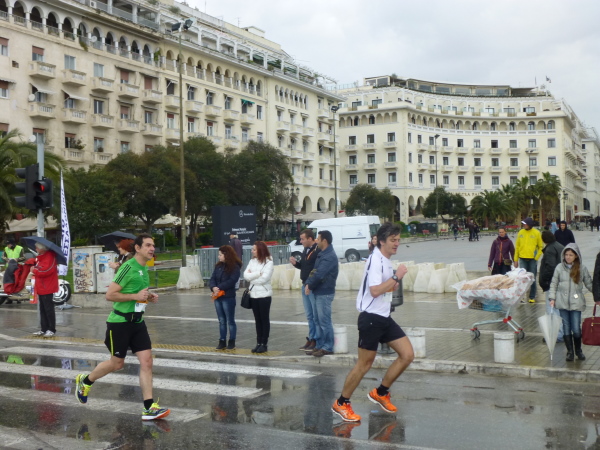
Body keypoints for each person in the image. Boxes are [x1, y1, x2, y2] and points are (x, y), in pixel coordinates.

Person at [75, 233, 170, 421]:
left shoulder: (144, 268)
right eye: (148, 245)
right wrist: (136, 296)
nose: (152, 248)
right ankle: (86, 381)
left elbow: (137, 293)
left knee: (147, 362)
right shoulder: (127, 267)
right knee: (117, 364)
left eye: (153, 245)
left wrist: (148, 296)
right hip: (120, 323)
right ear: (138, 248)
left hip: (137, 322)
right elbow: (110, 295)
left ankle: (149, 407)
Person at [332, 222, 411, 423]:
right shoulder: (376, 260)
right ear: (382, 241)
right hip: (371, 318)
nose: (397, 243)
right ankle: (341, 403)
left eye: (398, 240)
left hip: (383, 317)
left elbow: (382, 288)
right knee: (364, 364)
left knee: (407, 354)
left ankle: (381, 392)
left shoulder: (385, 259)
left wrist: (392, 284)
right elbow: (374, 290)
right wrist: (397, 276)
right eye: (393, 240)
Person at [549, 244, 593, 362]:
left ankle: (578, 350)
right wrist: (552, 298)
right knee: (566, 327)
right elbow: (554, 283)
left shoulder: (581, 268)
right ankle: (570, 352)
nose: (568, 257)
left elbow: (589, 283)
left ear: (576, 256)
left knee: (576, 328)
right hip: (562, 302)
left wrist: (597, 294)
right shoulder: (559, 267)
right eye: (566, 255)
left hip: (576, 303)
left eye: (571, 255)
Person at [305, 230, 339, 357]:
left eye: (318, 239)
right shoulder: (322, 253)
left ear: (324, 241)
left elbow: (320, 274)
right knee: (318, 320)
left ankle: (328, 347)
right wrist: (308, 283)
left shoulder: (329, 256)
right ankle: (319, 345)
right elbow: (314, 271)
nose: (316, 241)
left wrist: (309, 285)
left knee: (324, 320)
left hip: (325, 292)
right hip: (318, 291)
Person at [289, 229, 320, 351]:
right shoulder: (305, 250)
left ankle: (316, 339)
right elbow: (304, 266)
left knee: (315, 315)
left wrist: (310, 284)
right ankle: (311, 337)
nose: (300, 241)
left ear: (310, 239)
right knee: (309, 315)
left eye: (302, 239)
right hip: (304, 284)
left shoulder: (316, 250)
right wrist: (295, 263)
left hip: (311, 286)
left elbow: (316, 270)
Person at [243, 241, 274, 354]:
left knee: (264, 319)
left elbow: (264, 279)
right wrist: (257, 274)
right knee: (257, 320)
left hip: (264, 294)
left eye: (254, 249)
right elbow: (246, 276)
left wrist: (253, 277)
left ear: (260, 250)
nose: (252, 251)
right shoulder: (252, 261)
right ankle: (258, 343)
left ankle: (264, 344)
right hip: (253, 294)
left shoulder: (269, 262)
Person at [209, 245, 242, 350]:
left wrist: (219, 287)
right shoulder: (218, 266)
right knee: (221, 320)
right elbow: (212, 278)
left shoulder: (234, 267)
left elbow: (232, 281)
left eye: (220, 255)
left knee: (230, 320)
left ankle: (232, 341)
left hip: (228, 296)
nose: (218, 257)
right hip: (218, 296)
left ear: (226, 255)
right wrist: (213, 287)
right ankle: (222, 340)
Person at [538, 230, 565, 343]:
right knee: (559, 309)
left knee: (552, 310)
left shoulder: (549, 249)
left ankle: (556, 335)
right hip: (562, 282)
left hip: (552, 283)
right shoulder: (560, 246)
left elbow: (550, 267)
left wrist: (544, 279)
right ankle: (562, 333)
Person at [31, 242, 59, 337]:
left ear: (42, 248)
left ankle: (51, 329)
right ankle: (44, 328)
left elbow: (46, 271)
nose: (36, 249)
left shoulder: (49, 257)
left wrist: (34, 270)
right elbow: (41, 268)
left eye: (37, 248)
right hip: (41, 286)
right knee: (43, 309)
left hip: (47, 286)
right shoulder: (41, 257)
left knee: (48, 309)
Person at [514, 217, 544, 303]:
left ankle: (532, 296)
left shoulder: (537, 233)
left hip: (532, 260)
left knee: (532, 278)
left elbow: (541, 247)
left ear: (529, 224)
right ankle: (522, 296)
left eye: (525, 224)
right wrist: (516, 259)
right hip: (522, 258)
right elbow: (517, 246)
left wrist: (536, 257)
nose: (523, 225)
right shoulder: (521, 232)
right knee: (522, 279)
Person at [2, 239, 26, 304]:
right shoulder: (6, 248)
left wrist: (17, 259)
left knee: (17, 282)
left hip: (17, 268)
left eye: (8, 244)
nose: (7, 246)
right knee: (9, 282)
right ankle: (9, 298)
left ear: (12, 244)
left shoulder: (20, 248)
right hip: (9, 268)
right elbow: (3, 257)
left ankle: (18, 298)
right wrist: (7, 259)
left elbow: (24, 257)